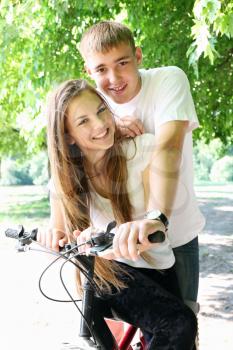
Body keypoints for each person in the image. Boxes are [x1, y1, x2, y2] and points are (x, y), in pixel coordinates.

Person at [38, 79, 197, 349]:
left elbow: (153, 225)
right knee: (173, 324)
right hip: (109, 274)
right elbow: (62, 236)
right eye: (83, 121)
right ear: (67, 136)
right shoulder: (64, 180)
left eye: (101, 111)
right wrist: (51, 236)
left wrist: (142, 229)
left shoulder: (142, 150)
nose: (100, 125)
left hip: (154, 268)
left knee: (179, 326)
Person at [78, 21, 206, 314]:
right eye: (100, 69)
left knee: (181, 328)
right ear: (88, 71)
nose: (113, 78)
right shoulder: (94, 107)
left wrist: (157, 217)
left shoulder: (168, 81)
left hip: (174, 235)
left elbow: (169, 147)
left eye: (122, 62)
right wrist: (110, 125)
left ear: (138, 56)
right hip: (118, 243)